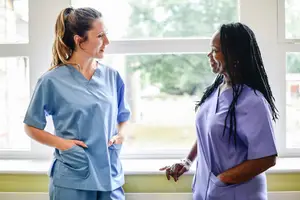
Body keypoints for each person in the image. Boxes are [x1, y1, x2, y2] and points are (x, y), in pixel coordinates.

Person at [160, 22, 278, 200]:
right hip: (209, 192)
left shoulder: (253, 101)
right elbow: (208, 131)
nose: (209, 55)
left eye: (215, 50)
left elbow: (267, 158)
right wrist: (187, 160)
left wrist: (222, 180)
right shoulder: (217, 89)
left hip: (237, 193)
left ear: (234, 56)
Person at [23, 7, 130, 200]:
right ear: (79, 41)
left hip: (110, 177)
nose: (107, 42)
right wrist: (64, 145)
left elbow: (123, 116)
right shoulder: (51, 81)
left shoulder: (112, 77)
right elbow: (31, 126)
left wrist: (120, 135)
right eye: (100, 36)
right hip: (73, 177)